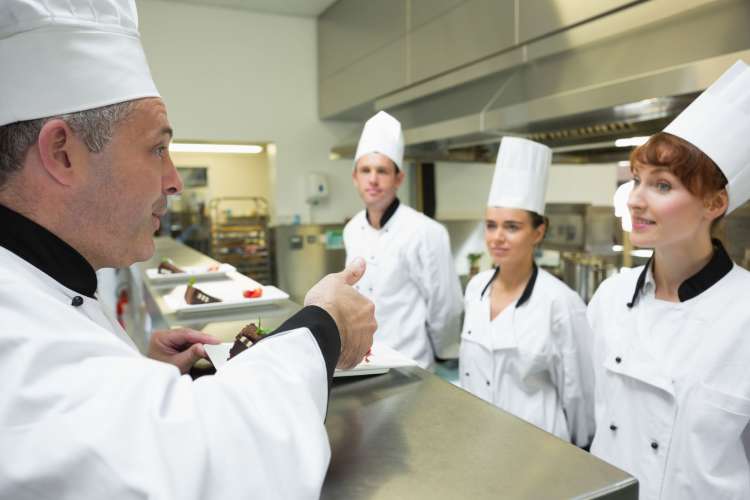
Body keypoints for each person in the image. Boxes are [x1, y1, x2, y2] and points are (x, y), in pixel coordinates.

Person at [0, 1, 375, 499]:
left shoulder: (40, 282)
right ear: (62, 153)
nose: (174, 182)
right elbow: (220, 464)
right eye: (158, 148)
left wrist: (138, 374)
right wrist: (323, 323)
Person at [587, 60, 750, 499]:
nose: (635, 200)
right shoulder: (609, 297)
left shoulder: (745, 314)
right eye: (637, 181)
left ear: (714, 203)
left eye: (662, 186)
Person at [458, 137, 594, 446]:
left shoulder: (560, 303)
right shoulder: (476, 289)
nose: (497, 238)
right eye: (491, 226)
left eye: (512, 227)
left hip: (538, 452)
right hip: (477, 444)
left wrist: (580, 456)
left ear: (539, 231)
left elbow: (579, 395)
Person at [343, 111, 463, 369]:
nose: (372, 179)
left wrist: (445, 352)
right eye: (365, 170)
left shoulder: (426, 232)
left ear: (399, 178)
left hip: (409, 365)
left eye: (382, 171)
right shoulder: (352, 229)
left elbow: (445, 305)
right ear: (355, 178)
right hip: (362, 362)